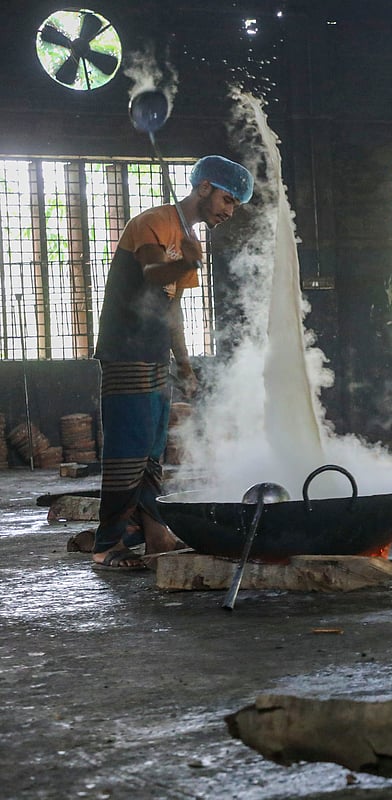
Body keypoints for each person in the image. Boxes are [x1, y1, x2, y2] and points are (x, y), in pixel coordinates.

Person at [91, 155, 254, 570]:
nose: (228, 211)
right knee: (128, 450)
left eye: (234, 205)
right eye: (227, 200)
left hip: (154, 354)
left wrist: (183, 364)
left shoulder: (184, 236)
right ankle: (107, 544)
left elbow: (171, 309)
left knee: (151, 452)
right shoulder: (154, 221)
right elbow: (150, 272)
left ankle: (153, 534)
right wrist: (186, 261)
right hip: (125, 351)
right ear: (204, 188)